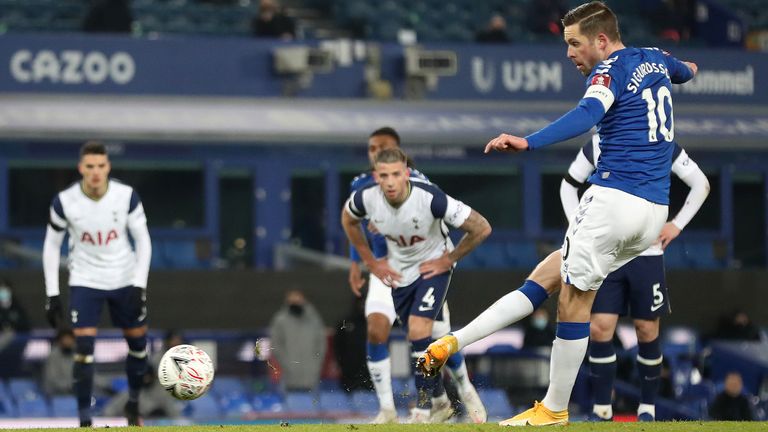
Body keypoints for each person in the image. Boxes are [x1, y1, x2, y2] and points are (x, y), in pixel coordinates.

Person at [419, 1, 697, 426]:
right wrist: (689, 69)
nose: (569, 53)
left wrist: (528, 141)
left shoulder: (610, 70)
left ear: (601, 41)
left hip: (614, 200)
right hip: (654, 212)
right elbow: (686, 69)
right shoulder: (656, 58)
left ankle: (553, 407)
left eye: (575, 43)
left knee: (573, 301)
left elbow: (588, 114)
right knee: (547, 277)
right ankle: (451, 343)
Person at [561, 136, 710, 421]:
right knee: (600, 328)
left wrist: (676, 225)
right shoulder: (598, 142)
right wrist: (577, 227)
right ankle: (602, 409)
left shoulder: (662, 142)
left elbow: (701, 184)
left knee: (646, 329)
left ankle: (647, 409)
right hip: (608, 253)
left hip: (647, 255)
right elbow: (568, 185)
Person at [342, 147, 492, 423]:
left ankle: (427, 407)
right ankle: (442, 401)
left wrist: (450, 258)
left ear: (406, 174)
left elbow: (481, 226)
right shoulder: (365, 198)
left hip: (433, 267)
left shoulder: (431, 197)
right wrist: (371, 262)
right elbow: (348, 219)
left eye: (396, 174)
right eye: (384, 175)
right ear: (376, 176)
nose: (390, 182)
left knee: (419, 330)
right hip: (399, 273)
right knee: (424, 338)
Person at [42, 141, 152, 427]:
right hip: (85, 279)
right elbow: (52, 246)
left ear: (108, 167)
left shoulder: (126, 196)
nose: (95, 172)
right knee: (84, 348)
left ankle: (133, 404)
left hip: (124, 277)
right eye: (89, 166)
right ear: (81, 168)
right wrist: (52, 294)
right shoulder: (64, 202)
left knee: (139, 345)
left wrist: (139, 285)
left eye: (100, 166)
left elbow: (143, 239)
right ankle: (84, 420)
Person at [269, 289, 326, 392]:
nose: (295, 302)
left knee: (311, 405)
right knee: (291, 404)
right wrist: (287, 364)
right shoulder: (280, 321)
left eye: (298, 299)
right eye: (292, 300)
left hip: (311, 376)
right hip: (288, 376)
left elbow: (321, 344)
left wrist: (315, 365)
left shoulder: (314, 320)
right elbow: (276, 345)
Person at [102, 365, 182, 420]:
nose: (146, 379)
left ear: (154, 376)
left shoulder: (163, 394)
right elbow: (108, 412)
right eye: (143, 376)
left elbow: (176, 417)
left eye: (149, 376)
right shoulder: (129, 394)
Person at [0, 279, 30, 378]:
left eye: (5, 290)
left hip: (15, 345)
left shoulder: (17, 307)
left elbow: (25, 325)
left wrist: (12, 327)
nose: (3, 292)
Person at [42, 329, 77, 396]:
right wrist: (70, 385)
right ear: (59, 341)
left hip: (74, 393)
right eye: (65, 339)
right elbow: (52, 380)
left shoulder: (78, 355)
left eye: (70, 339)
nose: (68, 342)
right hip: (55, 395)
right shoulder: (52, 356)